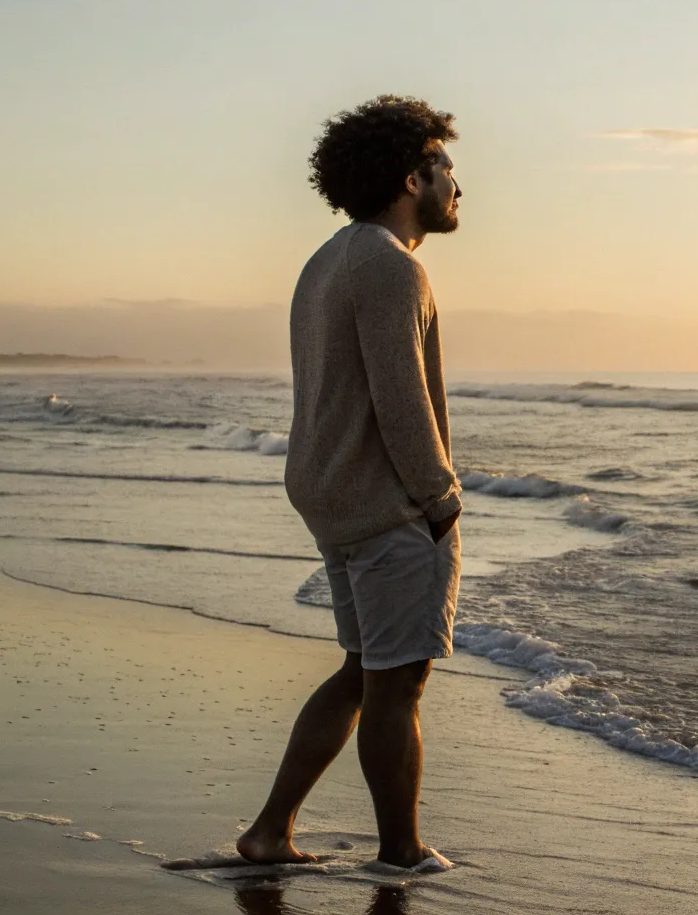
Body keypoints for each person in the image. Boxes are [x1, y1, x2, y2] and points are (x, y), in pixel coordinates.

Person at [237, 95, 466, 872]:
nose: (458, 187)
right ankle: (400, 851)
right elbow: (401, 403)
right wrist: (440, 499)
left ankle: (271, 831)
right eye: (446, 169)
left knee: (362, 672)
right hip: (383, 504)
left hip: (329, 493)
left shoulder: (330, 258)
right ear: (412, 178)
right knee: (398, 682)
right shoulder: (389, 268)